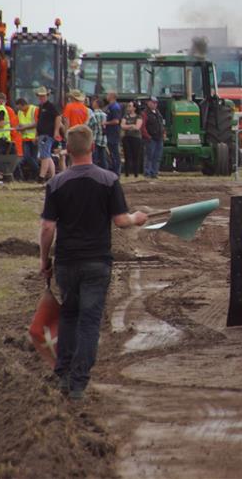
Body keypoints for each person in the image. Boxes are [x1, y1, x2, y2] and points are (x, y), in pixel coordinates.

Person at [39, 124, 148, 400]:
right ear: (91, 147)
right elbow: (121, 221)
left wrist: (44, 260)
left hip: (66, 262)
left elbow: (48, 228)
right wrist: (136, 217)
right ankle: (79, 383)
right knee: (89, 322)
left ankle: (63, 374)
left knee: (69, 315)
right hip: (97, 262)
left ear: (68, 150)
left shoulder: (55, 184)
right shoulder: (109, 180)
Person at [36, 86, 63, 183]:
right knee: (47, 155)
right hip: (42, 134)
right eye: (40, 96)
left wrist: (56, 131)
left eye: (43, 96)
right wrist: (37, 134)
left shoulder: (51, 106)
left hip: (47, 134)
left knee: (44, 156)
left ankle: (41, 176)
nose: (41, 98)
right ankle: (53, 177)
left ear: (47, 96)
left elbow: (58, 117)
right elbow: (39, 121)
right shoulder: (41, 107)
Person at [16, 97, 39, 180]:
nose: (19, 110)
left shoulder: (34, 110)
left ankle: (37, 173)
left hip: (34, 137)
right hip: (25, 138)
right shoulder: (20, 112)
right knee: (29, 157)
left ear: (24, 105)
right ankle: (36, 174)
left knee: (30, 157)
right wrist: (19, 127)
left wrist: (24, 127)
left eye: (20, 108)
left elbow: (37, 124)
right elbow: (20, 123)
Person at [142, 97, 164, 178]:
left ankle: (154, 173)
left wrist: (163, 133)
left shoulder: (158, 113)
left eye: (156, 103)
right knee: (149, 156)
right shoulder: (145, 113)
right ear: (148, 103)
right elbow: (143, 126)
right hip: (151, 138)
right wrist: (148, 136)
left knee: (157, 157)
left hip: (159, 138)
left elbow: (161, 124)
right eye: (153, 102)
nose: (155, 104)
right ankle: (147, 173)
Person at [120, 102, 143, 178]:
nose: (128, 107)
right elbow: (122, 126)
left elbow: (137, 127)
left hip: (136, 138)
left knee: (135, 155)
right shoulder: (125, 116)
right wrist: (132, 125)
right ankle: (127, 173)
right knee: (127, 155)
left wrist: (128, 126)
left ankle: (136, 173)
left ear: (134, 108)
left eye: (130, 106)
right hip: (126, 137)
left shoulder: (138, 117)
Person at [104, 92, 122, 175]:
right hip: (109, 132)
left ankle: (116, 171)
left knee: (115, 153)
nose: (106, 96)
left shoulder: (115, 107)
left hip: (113, 133)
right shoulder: (109, 106)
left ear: (112, 96)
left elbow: (116, 121)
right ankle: (113, 170)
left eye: (108, 95)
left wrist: (105, 123)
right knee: (111, 153)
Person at [87, 97, 108, 169]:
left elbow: (88, 125)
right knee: (103, 159)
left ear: (97, 104)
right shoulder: (105, 115)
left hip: (94, 139)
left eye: (94, 102)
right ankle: (105, 172)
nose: (92, 103)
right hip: (103, 139)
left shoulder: (93, 115)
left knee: (94, 159)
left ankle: (94, 172)